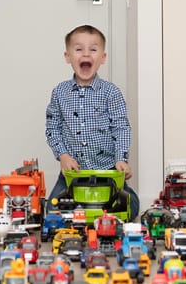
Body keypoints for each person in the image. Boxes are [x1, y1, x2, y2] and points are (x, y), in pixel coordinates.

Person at [45, 24, 139, 221]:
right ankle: (85, 213)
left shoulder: (111, 93)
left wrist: (121, 158)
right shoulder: (59, 93)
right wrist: (62, 156)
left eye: (93, 49)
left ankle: (98, 214)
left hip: (107, 172)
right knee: (52, 211)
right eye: (79, 49)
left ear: (102, 58)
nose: (86, 54)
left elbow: (121, 127)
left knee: (131, 206)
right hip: (73, 174)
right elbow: (53, 128)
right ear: (67, 56)